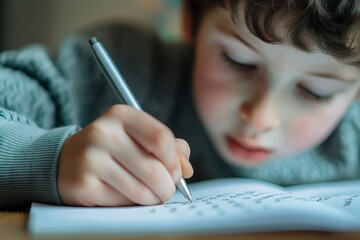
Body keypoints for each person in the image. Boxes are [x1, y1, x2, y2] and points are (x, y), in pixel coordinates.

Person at [0, 0, 359, 209]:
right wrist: (49, 159)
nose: (261, 117)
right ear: (191, 24)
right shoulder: (126, 65)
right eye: (238, 61)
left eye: (317, 91)